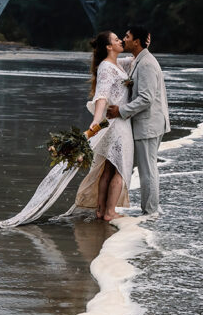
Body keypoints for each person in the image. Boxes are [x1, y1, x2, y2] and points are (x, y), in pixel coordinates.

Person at [106, 25, 170, 215]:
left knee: (147, 170)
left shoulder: (147, 64)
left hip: (149, 125)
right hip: (146, 124)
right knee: (146, 169)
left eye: (127, 36)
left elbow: (146, 98)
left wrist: (121, 111)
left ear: (136, 41)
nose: (124, 39)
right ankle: (149, 210)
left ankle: (150, 213)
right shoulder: (138, 60)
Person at [73, 31, 134, 222]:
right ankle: (110, 212)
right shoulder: (107, 67)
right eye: (116, 40)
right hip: (116, 124)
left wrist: (145, 42)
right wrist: (96, 120)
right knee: (120, 168)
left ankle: (101, 210)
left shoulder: (116, 64)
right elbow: (102, 95)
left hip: (115, 123)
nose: (120, 41)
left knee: (108, 168)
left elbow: (135, 58)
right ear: (109, 46)